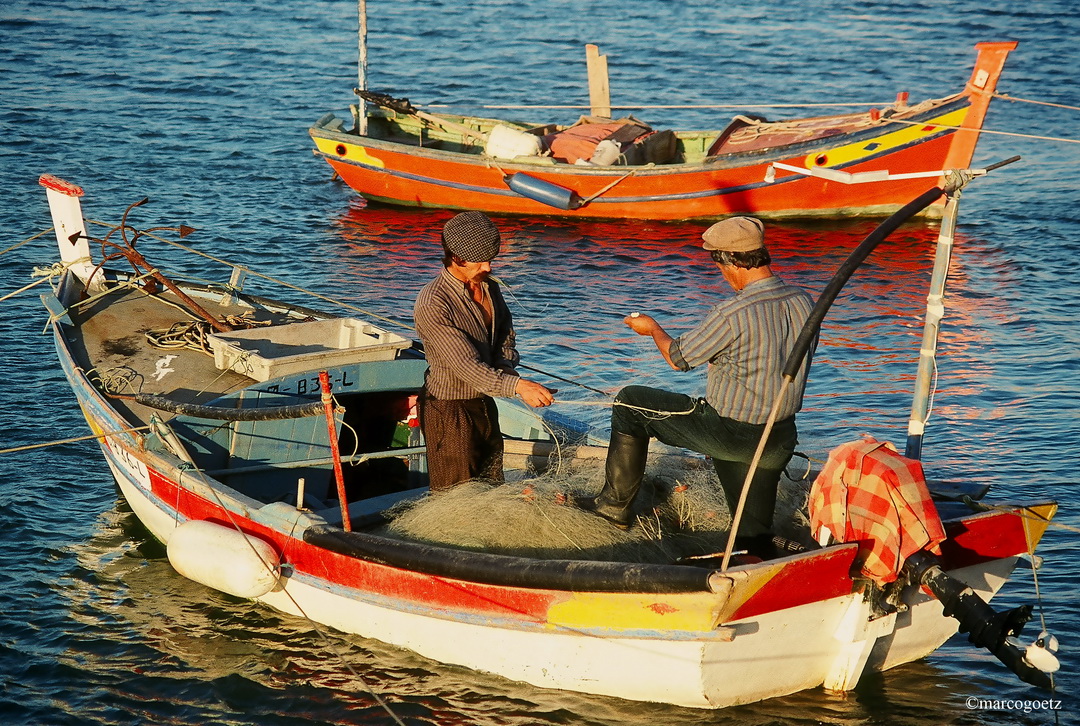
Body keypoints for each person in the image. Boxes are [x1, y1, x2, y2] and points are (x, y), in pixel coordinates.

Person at [578, 216, 815, 557]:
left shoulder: (732, 312)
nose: (722, 275)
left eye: (719, 266)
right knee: (751, 535)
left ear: (731, 261)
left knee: (631, 403)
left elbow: (678, 358)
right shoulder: (803, 301)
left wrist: (653, 329)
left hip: (731, 433)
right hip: (778, 439)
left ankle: (614, 507)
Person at [413, 211, 555, 492]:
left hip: (485, 404)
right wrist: (519, 386)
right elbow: (468, 367)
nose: (489, 267)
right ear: (457, 258)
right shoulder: (433, 303)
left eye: (492, 259)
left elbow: (505, 333)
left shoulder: (489, 287)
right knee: (456, 496)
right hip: (450, 411)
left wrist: (506, 365)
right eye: (480, 261)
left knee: (492, 487)